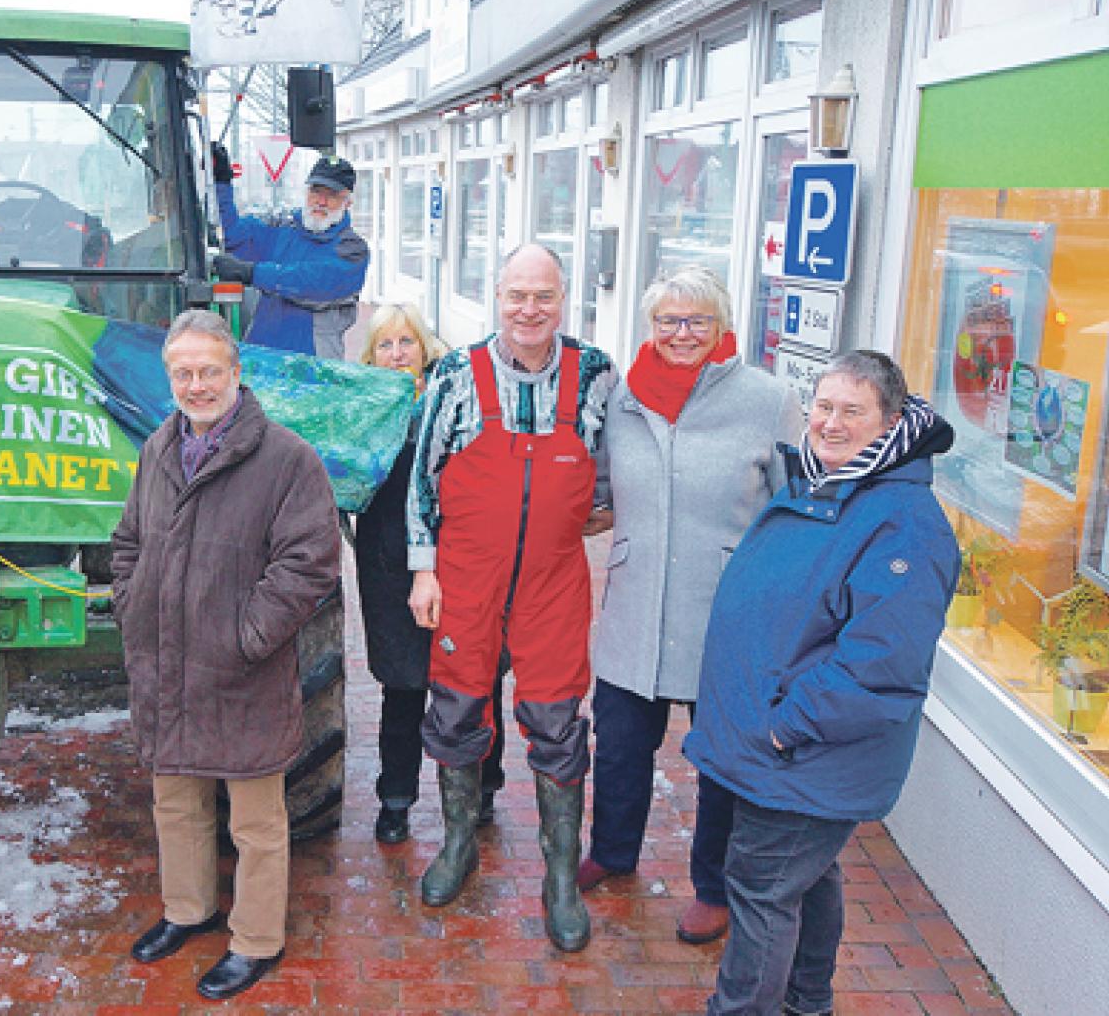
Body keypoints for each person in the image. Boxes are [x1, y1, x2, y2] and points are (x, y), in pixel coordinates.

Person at [685, 350, 959, 1016]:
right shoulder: (828, 484)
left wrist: (787, 727)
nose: (831, 423)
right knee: (803, 878)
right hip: (778, 744)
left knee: (761, 886)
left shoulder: (903, 522)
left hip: (804, 749)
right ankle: (807, 1002)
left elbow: (882, 663)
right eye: (825, 406)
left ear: (891, 422)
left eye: (852, 411)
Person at [110, 308, 341, 1000]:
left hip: (242, 667)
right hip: (166, 662)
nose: (197, 385)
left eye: (209, 371)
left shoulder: (287, 459)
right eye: (183, 373)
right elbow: (129, 540)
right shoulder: (158, 447)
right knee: (175, 799)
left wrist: (249, 636)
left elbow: (309, 562)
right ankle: (189, 908)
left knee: (256, 819)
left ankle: (256, 939)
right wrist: (132, 603)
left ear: (237, 373)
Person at [581, 266, 804, 946]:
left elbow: (795, 507)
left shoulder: (768, 399)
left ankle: (714, 885)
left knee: (722, 761)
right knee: (620, 743)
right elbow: (597, 487)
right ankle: (612, 849)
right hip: (637, 601)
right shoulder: (621, 396)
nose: (681, 334)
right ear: (650, 326)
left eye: (697, 321)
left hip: (727, 611)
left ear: (722, 326)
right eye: (668, 321)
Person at [406, 243, 617, 952]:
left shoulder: (596, 374)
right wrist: (424, 570)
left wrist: (601, 510)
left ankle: (560, 878)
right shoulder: (454, 375)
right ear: (498, 296)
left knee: (558, 720)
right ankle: (459, 841)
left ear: (563, 300)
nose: (530, 309)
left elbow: (615, 470)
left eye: (544, 296)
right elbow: (421, 481)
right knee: (457, 707)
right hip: (466, 577)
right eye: (517, 295)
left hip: (553, 581)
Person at [355, 302, 511, 844]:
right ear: (372, 355)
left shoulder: (454, 400)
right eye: (385, 344)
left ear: (424, 348)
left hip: (463, 557)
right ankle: (395, 799)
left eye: (407, 342)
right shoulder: (363, 411)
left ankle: (483, 788)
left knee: (477, 679)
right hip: (389, 565)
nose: (397, 354)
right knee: (403, 687)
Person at [210, 141, 370, 358]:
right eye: (316, 191)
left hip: (313, 367)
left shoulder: (352, 250)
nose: (321, 201)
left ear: (347, 202)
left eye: (332, 195)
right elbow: (232, 237)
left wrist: (252, 273)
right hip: (261, 359)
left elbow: (311, 283)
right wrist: (222, 183)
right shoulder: (281, 230)